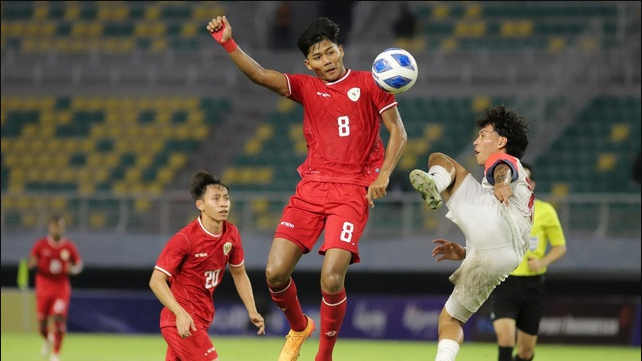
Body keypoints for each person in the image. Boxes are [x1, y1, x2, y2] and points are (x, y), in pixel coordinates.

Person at [207, 15, 407, 361]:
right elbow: (258, 74)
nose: (326, 61)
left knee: (331, 278)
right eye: (318, 57)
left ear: (341, 50)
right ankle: (299, 326)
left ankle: (324, 355)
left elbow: (398, 133)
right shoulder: (306, 87)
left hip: (351, 191)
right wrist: (228, 41)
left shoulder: (372, 84)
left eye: (330, 52)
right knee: (274, 273)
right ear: (308, 63)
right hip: (311, 189)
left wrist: (384, 174)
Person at [409, 104, 532, 361]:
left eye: (484, 135)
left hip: (495, 222)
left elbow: (502, 168)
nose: (476, 142)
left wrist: (500, 183)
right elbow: (500, 242)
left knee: (439, 160)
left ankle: (435, 183)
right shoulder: (525, 187)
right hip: (505, 259)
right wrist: (466, 252)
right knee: (450, 319)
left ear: (502, 141)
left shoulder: (508, 162)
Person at [149, 170, 265, 361]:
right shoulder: (185, 239)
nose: (223, 204)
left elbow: (239, 274)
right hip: (182, 321)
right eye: (216, 199)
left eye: (226, 198)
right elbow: (156, 281)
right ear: (200, 205)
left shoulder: (231, 234)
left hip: (202, 318)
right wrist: (180, 313)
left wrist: (251, 310)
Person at [489, 162, 567, 361]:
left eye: (527, 178)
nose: (523, 182)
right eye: (518, 179)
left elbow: (560, 246)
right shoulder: (499, 208)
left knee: (526, 353)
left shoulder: (546, 211)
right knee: (505, 340)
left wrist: (543, 261)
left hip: (532, 285)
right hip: (505, 281)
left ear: (532, 184)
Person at [28, 214, 84, 361]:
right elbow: (31, 261)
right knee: (41, 324)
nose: (57, 229)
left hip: (61, 287)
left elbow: (79, 265)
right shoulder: (41, 245)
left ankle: (55, 354)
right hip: (44, 285)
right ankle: (47, 339)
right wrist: (30, 263)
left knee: (58, 320)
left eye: (60, 226)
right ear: (50, 227)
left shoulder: (69, 247)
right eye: (55, 226)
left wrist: (72, 269)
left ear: (63, 228)